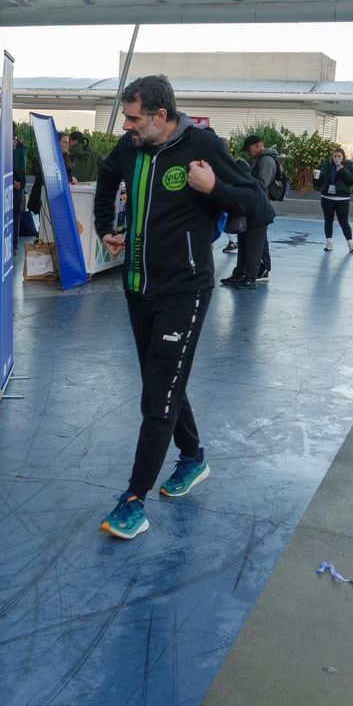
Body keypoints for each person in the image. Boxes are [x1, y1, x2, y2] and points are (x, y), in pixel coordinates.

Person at [92, 74, 270, 541]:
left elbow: (261, 206)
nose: (127, 127)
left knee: (157, 397)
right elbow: (108, 175)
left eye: (134, 118)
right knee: (163, 382)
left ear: (161, 116)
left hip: (185, 292)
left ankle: (134, 500)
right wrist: (105, 226)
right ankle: (192, 457)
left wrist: (214, 189)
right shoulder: (130, 148)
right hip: (136, 287)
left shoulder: (203, 147)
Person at [225, 134, 282, 285]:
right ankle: (249, 272)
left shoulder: (267, 160)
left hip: (259, 207)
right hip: (256, 206)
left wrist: (243, 178)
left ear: (258, 146)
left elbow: (261, 183)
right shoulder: (261, 160)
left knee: (257, 242)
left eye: (249, 149)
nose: (248, 153)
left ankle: (259, 271)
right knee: (254, 242)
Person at [311, 148, 353, 253]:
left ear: (343, 158)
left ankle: (350, 244)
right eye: (335, 156)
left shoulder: (349, 167)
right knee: (328, 221)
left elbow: (352, 180)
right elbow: (318, 184)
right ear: (332, 157)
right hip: (327, 197)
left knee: (343, 222)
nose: (337, 158)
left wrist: (343, 170)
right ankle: (329, 243)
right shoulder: (325, 167)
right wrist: (315, 176)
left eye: (339, 156)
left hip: (342, 198)